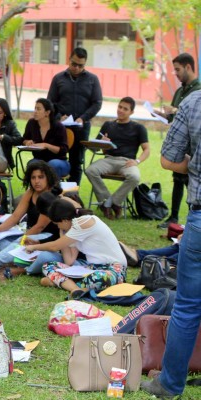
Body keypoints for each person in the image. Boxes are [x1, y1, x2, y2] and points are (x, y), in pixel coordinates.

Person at [140, 90, 201, 398]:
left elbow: (167, 159)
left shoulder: (193, 102)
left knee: (188, 306)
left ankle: (169, 384)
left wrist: (194, 166)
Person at [24, 199, 127, 298]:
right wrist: (62, 234)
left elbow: (55, 246)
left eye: (58, 224)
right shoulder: (72, 229)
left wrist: (33, 247)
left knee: (100, 278)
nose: (58, 227)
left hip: (114, 269)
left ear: (64, 221)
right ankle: (76, 289)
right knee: (48, 266)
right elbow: (69, 261)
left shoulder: (83, 223)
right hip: (91, 267)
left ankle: (60, 282)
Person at [0, 161, 61, 270]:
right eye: (33, 178)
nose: (37, 181)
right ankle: (21, 257)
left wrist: (23, 239)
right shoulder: (30, 192)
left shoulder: (51, 196)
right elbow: (15, 217)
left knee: (21, 241)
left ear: (48, 178)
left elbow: (39, 227)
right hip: (30, 233)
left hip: (46, 237)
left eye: (41, 177)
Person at [154, 53, 201, 229]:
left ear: (188, 67)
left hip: (193, 150)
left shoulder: (197, 91)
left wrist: (175, 110)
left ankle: (191, 220)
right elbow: (177, 119)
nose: (175, 73)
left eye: (178, 69)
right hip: (178, 149)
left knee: (193, 185)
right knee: (178, 181)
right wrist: (165, 115)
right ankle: (173, 217)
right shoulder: (180, 90)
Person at [85, 96, 150, 219]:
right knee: (90, 170)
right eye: (120, 107)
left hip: (126, 162)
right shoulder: (108, 125)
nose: (120, 110)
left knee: (135, 177)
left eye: (125, 109)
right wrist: (102, 142)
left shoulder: (138, 128)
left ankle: (114, 203)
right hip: (109, 159)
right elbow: (95, 148)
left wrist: (137, 161)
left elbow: (147, 149)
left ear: (131, 112)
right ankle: (105, 203)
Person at [47, 47, 103, 185]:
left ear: (85, 64)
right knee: (56, 158)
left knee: (76, 161)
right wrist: (59, 117)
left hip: (81, 127)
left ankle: (71, 195)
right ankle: (55, 191)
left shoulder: (92, 80)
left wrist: (83, 118)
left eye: (80, 65)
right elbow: (50, 102)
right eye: (74, 64)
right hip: (60, 127)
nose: (76, 68)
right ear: (69, 59)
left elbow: (97, 103)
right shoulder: (58, 78)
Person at [22, 98, 70, 178]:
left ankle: (53, 189)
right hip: (39, 159)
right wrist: (27, 142)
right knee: (32, 164)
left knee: (52, 164)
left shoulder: (59, 127)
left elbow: (64, 149)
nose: (35, 111)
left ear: (47, 112)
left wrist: (46, 145)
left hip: (59, 161)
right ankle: (34, 189)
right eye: (35, 108)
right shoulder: (31, 123)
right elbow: (23, 139)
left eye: (38, 109)